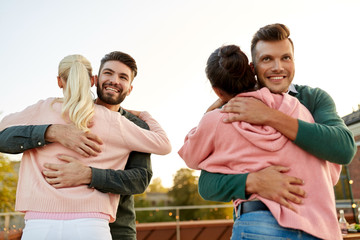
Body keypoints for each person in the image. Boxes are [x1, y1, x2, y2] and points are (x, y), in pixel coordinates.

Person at [0, 54, 171, 240]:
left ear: (130, 88)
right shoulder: (114, 122)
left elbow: (140, 179)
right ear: (94, 80)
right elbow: (163, 144)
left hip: (106, 227)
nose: (114, 80)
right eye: (108, 73)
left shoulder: (44, 109)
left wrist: (89, 174)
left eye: (123, 77)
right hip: (94, 223)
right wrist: (51, 132)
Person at [179, 44, 342, 239]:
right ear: (251, 70)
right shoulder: (297, 108)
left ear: (217, 91)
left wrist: (210, 112)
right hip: (317, 226)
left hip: (257, 223)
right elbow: (330, 171)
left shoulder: (217, 120)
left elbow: (190, 157)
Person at [198, 24, 356, 212]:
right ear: (253, 67)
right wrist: (253, 181)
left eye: (285, 58)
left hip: (315, 221)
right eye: (267, 59)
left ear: (294, 61)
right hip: (258, 223)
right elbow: (206, 184)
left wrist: (270, 116)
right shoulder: (237, 107)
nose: (277, 67)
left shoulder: (313, 99)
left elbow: (344, 149)